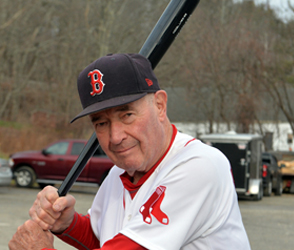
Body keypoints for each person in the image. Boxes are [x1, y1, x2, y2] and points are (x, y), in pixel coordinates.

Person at [9, 53, 251, 250]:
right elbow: (104, 241)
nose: (115, 137)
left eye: (127, 115)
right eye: (101, 123)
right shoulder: (118, 175)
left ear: (160, 105)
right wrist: (67, 224)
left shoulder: (200, 166)